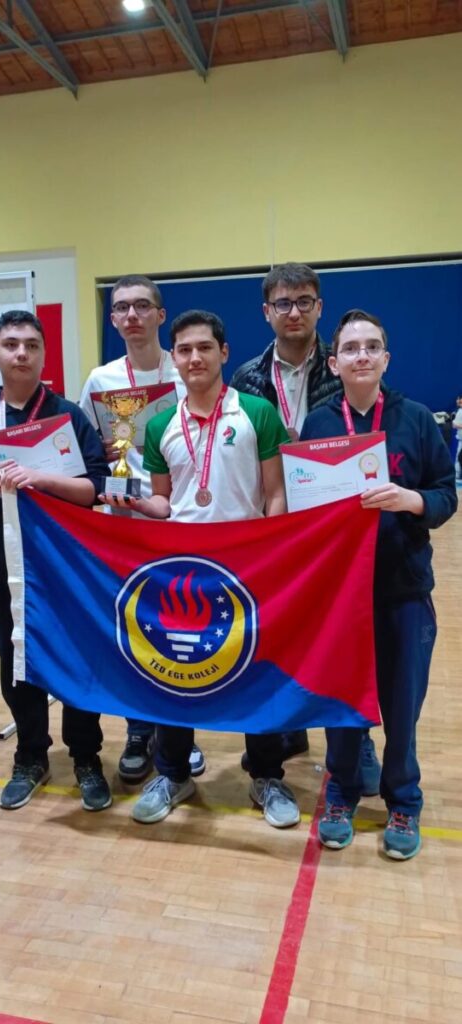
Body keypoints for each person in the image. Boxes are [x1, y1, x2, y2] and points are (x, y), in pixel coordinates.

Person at [101, 309, 300, 830]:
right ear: (175, 358)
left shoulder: (256, 412)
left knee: (256, 672)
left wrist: (274, 553)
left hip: (246, 566)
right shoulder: (159, 424)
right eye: (185, 350)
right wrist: (130, 500)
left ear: (223, 353)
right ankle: (173, 774)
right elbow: (165, 502)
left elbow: (275, 493)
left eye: (204, 348)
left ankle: (266, 775)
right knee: (175, 671)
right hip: (183, 567)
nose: (194, 358)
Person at [299, 309, 457, 860]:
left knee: (401, 705)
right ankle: (340, 794)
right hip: (341, 594)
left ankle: (403, 801)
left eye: (371, 346)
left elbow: (445, 494)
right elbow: (303, 505)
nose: (361, 355)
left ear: (386, 358)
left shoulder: (416, 420)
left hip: (402, 589)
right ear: (334, 362)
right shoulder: (318, 425)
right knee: (342, 701)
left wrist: (411, 500)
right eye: (351, 348)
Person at [0, 310, 112, 813]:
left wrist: (39, 478)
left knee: (77, 659)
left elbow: (95, 488)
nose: (21, 353)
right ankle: (31, 756)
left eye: (31, 345)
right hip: (3, 566)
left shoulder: (68, 416)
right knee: (15, 662)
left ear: (43, 354)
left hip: (67, 566)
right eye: (11, 344)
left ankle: (85, 757)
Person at [231, 262, 380, 792]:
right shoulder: (245, 377)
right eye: (283, 303)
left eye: (304, 302)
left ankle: (355, 736)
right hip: (273, 525)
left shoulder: (346, 364)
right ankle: (283, 728)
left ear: (320, 307)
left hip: (335, 527)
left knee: (342, 632)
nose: (293, 312)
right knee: (276, 630)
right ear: (266, 311)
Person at [80, 275, 205, 784]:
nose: (131, 315)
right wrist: (109, 477)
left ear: (160, 314)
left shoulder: (187, 369)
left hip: (182, 521)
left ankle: (181, 734)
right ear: (113, 319)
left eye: (141, 306)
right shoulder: (100, 380)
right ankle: (137, 730)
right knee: (134, 631)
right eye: (121, 308)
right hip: (126, 524)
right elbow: (91, 452)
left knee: (180, 630)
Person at [452, 396, 462, 480]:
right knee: (459, 458)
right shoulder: (459, 411)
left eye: (460, 399)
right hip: (461, 439)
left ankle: (457, 476)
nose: (458, 401)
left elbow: (455, 425)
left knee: (459, 458)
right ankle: (457, 476)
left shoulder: (460, 411)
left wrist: (454, 423)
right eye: (457, 399)